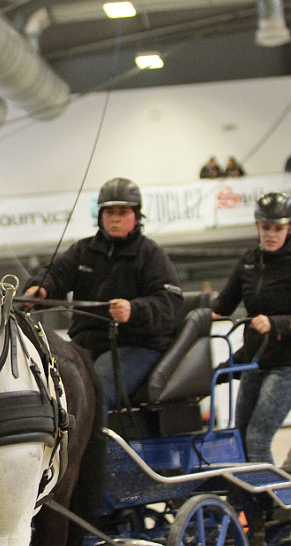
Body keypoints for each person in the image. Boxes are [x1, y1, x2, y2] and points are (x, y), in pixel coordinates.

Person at [24, 178, 184, 419]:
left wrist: (134, 310)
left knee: (93, 392)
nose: (115, 218)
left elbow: (170, 304)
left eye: (123, 212)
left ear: (136, 215)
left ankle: (97, 456)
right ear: (100, 216)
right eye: (109, 212)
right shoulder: (84, 251)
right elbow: (56, 274)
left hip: (136, 345)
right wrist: (41, 288)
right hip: (86, 346)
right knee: (43, 386)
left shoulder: (150, 254)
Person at [211, 192, 291, 464]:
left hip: (286, 365)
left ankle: (271, 504)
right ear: (257, 226)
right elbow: (221, 306)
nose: (271, 234)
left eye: (278, 228)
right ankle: (248, 503)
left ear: (288, 228)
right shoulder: (248, 262)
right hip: (256, 361)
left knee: (257, 440)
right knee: (240, 437)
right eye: (266, 227)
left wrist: (275, 322)